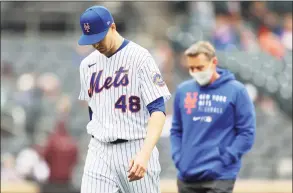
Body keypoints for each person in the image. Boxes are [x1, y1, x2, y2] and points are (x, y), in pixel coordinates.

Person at [77, 5, 171, 193]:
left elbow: (158, 111)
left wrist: (145, 154)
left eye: (99, 38)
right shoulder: (87, 65)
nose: (96, 44)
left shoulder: (140, 57)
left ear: (112, 27)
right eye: (91, 40)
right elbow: (93, 111)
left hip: (135, 146)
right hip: (99, 150)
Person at [170, 41, 256, 193]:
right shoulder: (183, 91)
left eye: (200, 67)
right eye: (191, 68)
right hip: (187, 175)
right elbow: (176, 130)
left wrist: (226, 158)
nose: (195, 71)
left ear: (214, 62)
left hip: (220, 176)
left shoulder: (236, 91)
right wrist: (179, 158)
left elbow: (247, 133)